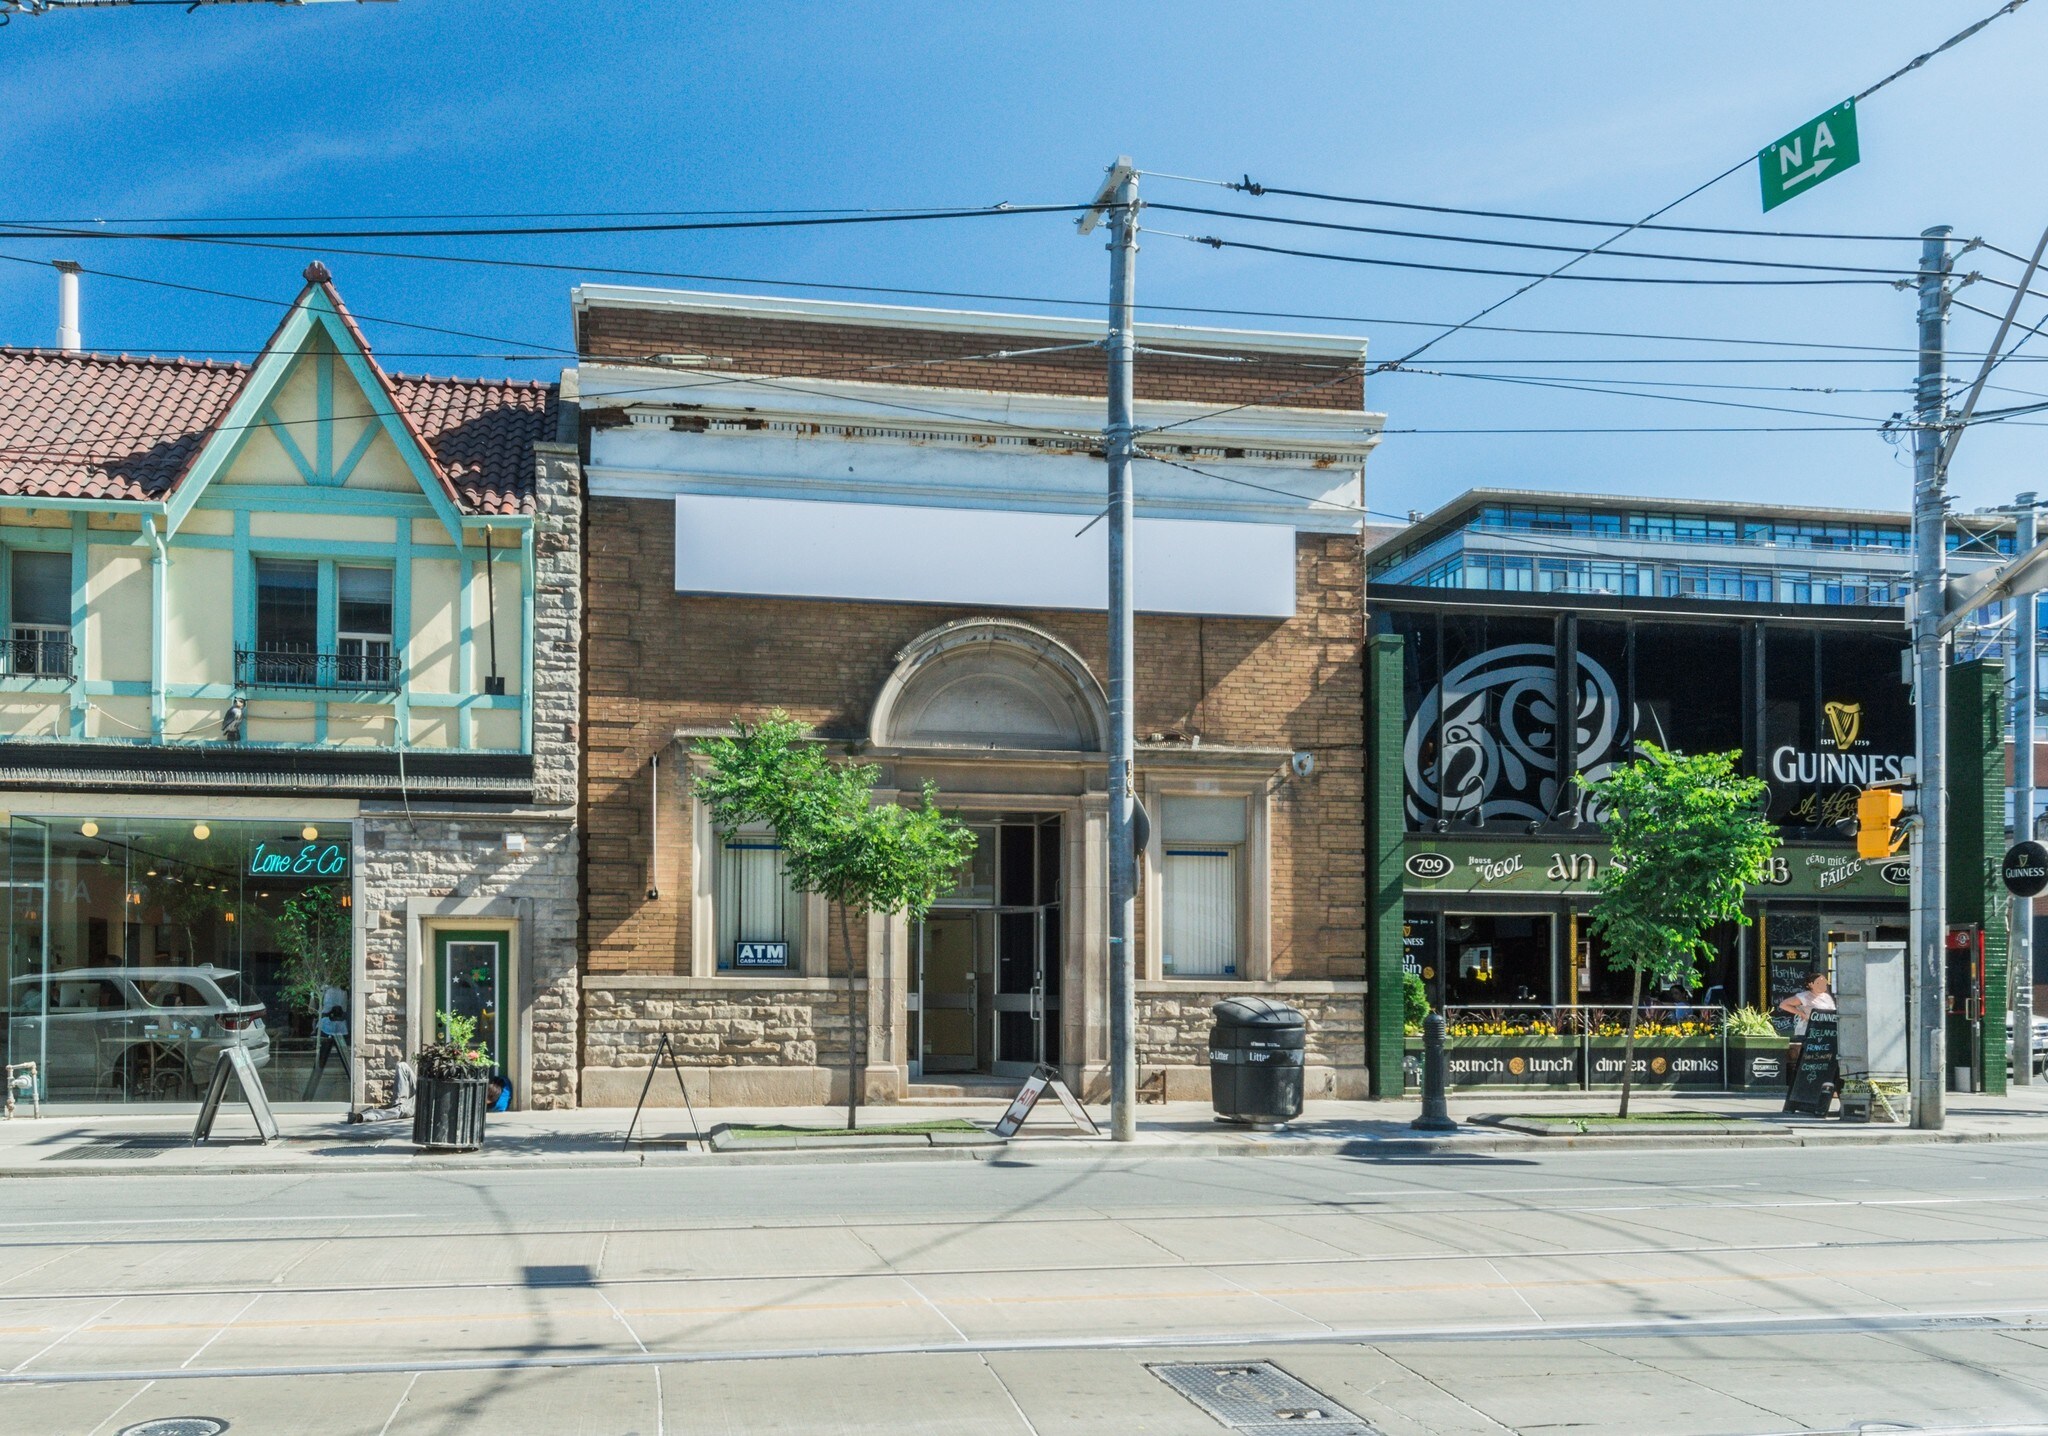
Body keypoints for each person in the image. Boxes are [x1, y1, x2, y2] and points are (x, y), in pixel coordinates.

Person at [1778, 971, 1835, 1072]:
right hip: (1808, 1032)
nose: (1823, 984)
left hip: (1825, 1032)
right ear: (1810, 984)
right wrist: (1801, 1014)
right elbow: (1783, 1004)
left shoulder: (1827, 997)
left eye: (1824, 982)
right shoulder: (1804, 996)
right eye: (1819, 982)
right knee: (1809, 1058)